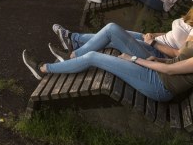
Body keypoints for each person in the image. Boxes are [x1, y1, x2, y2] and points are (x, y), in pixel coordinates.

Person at [22, 27, 193, 102]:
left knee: (93, 57)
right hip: (158, 72)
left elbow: (170, 70)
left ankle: (43, 69)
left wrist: (133, 59)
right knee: (110, 37)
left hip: (160, 85)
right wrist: (158, 59)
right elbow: (176, 61)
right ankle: (71, 52)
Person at [49, 7, 193, 62]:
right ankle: (73, 39)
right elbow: (174, 34)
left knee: (112, 32)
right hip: (156, 41)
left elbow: (180, 54)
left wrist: (153, 43)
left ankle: (72, 55)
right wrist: (154, 35)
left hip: (159, 53)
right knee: (116, 33)